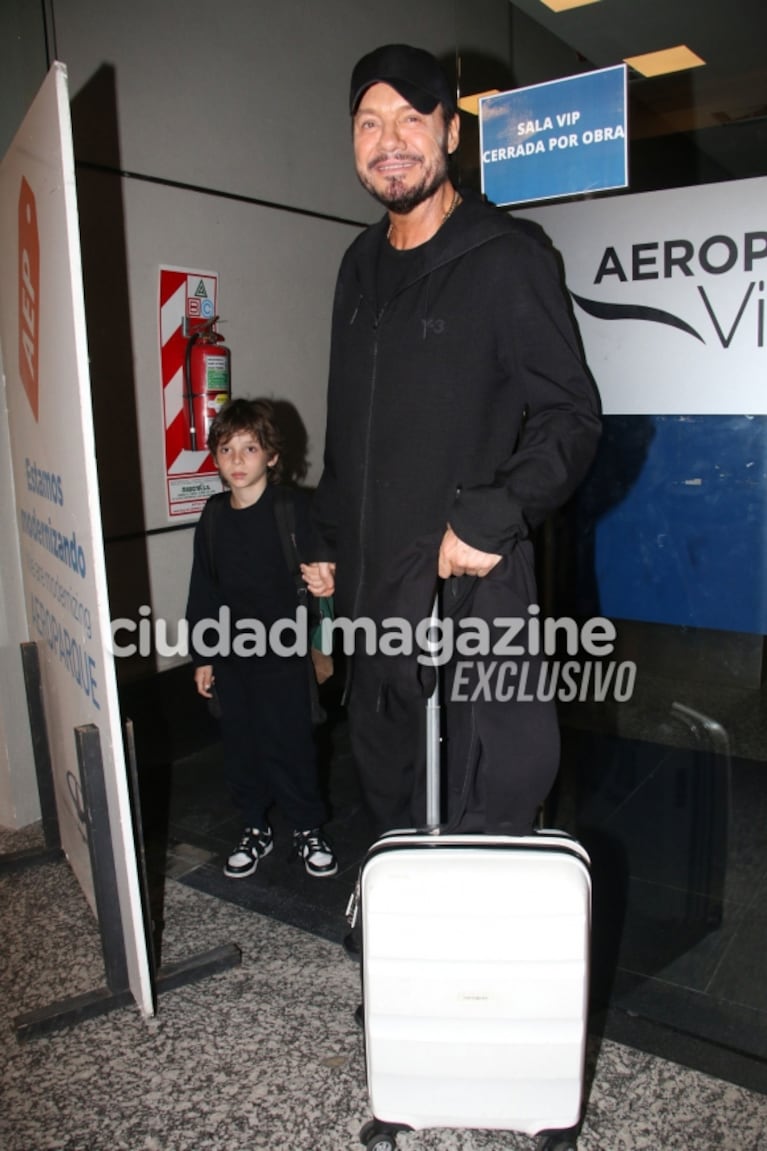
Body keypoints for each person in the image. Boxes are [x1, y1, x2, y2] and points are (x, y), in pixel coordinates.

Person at [303, 44, 601, 840]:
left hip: (463, 581)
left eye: (410, 117)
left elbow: (570, 416)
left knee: (482, 792)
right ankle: (401, 912)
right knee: (384, 769)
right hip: (371, 589)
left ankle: (473, 947)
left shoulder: (506, 259)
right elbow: (348, 420)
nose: (388, 139)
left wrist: (494, 513)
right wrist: (327, 533)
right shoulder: (357, 266)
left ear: (450, 132)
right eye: (369, 122)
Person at [186, 397, 337, 879]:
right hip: (232, 657)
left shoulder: (293, 506)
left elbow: (326, 558)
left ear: (272, 456)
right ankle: (254, 826)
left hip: (285, 656)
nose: (236, 460)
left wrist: (326, 575)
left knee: (291, 746)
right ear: (215, 457)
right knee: (241, 748)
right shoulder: (212, 516)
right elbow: (203, 589)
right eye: (227, 449)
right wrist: (203, 655)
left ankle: (308, 827)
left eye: (249, 448)